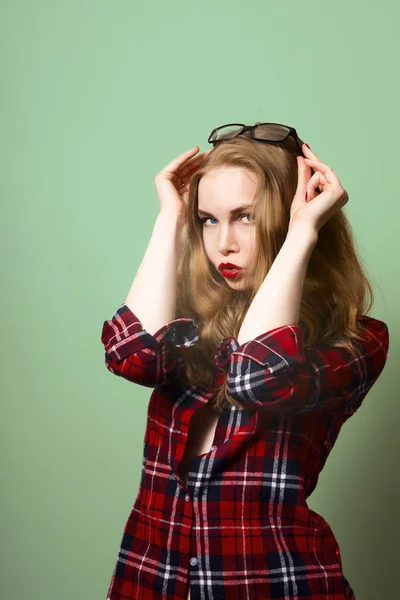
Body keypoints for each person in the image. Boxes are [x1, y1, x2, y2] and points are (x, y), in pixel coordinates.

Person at [100, 122, 389, 600]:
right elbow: (130, 356)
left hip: (273, 583)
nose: (224, 244)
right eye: (208, 219)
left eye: (247, 217)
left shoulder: (356, 342)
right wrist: (171, 217)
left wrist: (299, 235)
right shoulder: (186, 322)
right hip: (150, 581)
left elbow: (257, 377)